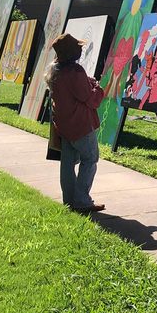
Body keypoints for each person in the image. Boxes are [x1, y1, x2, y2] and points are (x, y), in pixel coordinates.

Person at [46, 33, 106, 213]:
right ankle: (82, 201)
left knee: (68, 163)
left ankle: (69, 200)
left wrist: (88, 83)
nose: (81, 50)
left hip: (64, 126)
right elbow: (90, 99)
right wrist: (98, 88)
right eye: (78, 48)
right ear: (72, 52)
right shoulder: (75, 71)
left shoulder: (55, 71)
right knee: (90, 159)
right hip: (81, 125)